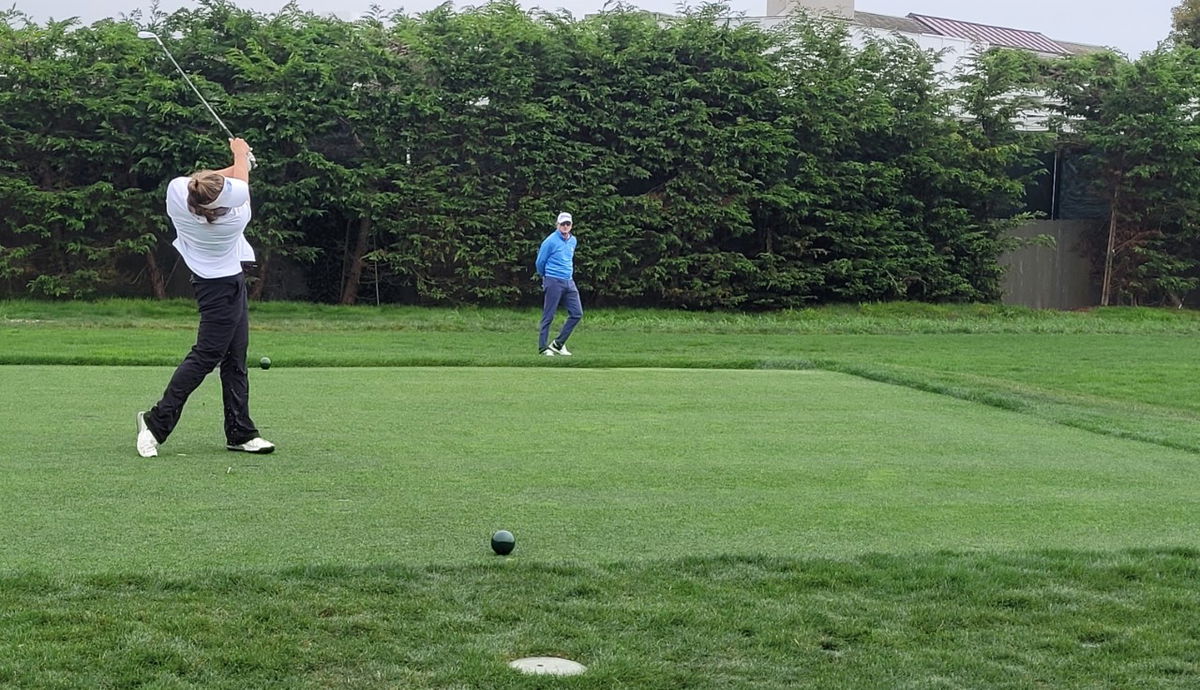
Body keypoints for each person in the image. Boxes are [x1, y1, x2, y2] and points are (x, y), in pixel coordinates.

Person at [136, 138, 275, 457]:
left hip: (223, 279)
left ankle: (240, 431)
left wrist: (238, 162)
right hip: (218, 289)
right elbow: (238, 182)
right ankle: (155, 423)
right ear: (218, 207)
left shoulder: (177, 191)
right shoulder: (234, 218)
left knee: (236, 355)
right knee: (206, 356)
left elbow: (206, 182)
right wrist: (240, 154)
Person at [535, 211, 583, 356]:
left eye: (568, 224)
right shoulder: (550, 241)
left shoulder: (573, 240)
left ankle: (558, 344)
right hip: (553, 279)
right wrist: (546, 277)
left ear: (571, 225)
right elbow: (540, 262)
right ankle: (543, 347)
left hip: (569, 281)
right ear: (557, 225)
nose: (565, 226)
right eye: (562, 224)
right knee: (549, 315)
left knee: (577, 313)